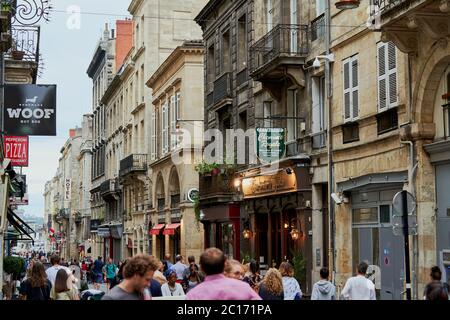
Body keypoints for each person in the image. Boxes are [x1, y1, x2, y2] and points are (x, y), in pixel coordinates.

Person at [186, 248, 261, 300]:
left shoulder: (193, 295)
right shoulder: (244, 287)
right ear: (225, 265)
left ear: (202, 268)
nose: (240, 277)